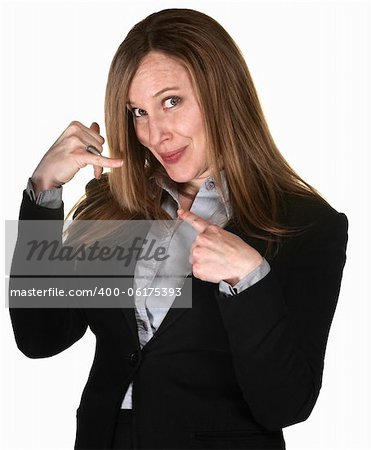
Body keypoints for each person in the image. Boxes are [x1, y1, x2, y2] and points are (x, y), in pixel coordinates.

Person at [9, 8, 348, 450]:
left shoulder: (303, 223)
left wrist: (249, 280)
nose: (155, 133)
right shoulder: (119, 207)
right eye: (138, 112)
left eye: (171, 102)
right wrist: (43, 192)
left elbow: (285, 405)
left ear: (222, 93)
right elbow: (40, 338)